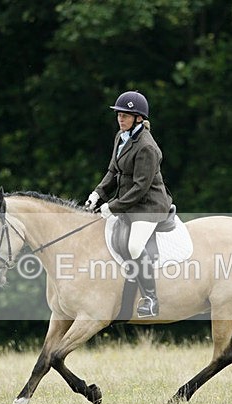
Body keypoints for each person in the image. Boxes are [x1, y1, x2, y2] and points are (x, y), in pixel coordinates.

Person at [84, 90, 172, 318]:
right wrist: (97, 194)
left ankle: (151, 299)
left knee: (134, 246)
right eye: (119, 114)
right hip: (130, 203)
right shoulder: (120, 137)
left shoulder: (146, 147)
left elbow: (140, 188)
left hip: (149, 206)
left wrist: (112, 207)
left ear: (139, 118)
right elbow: (114, 171)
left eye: (126, 115)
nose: (120, 118)